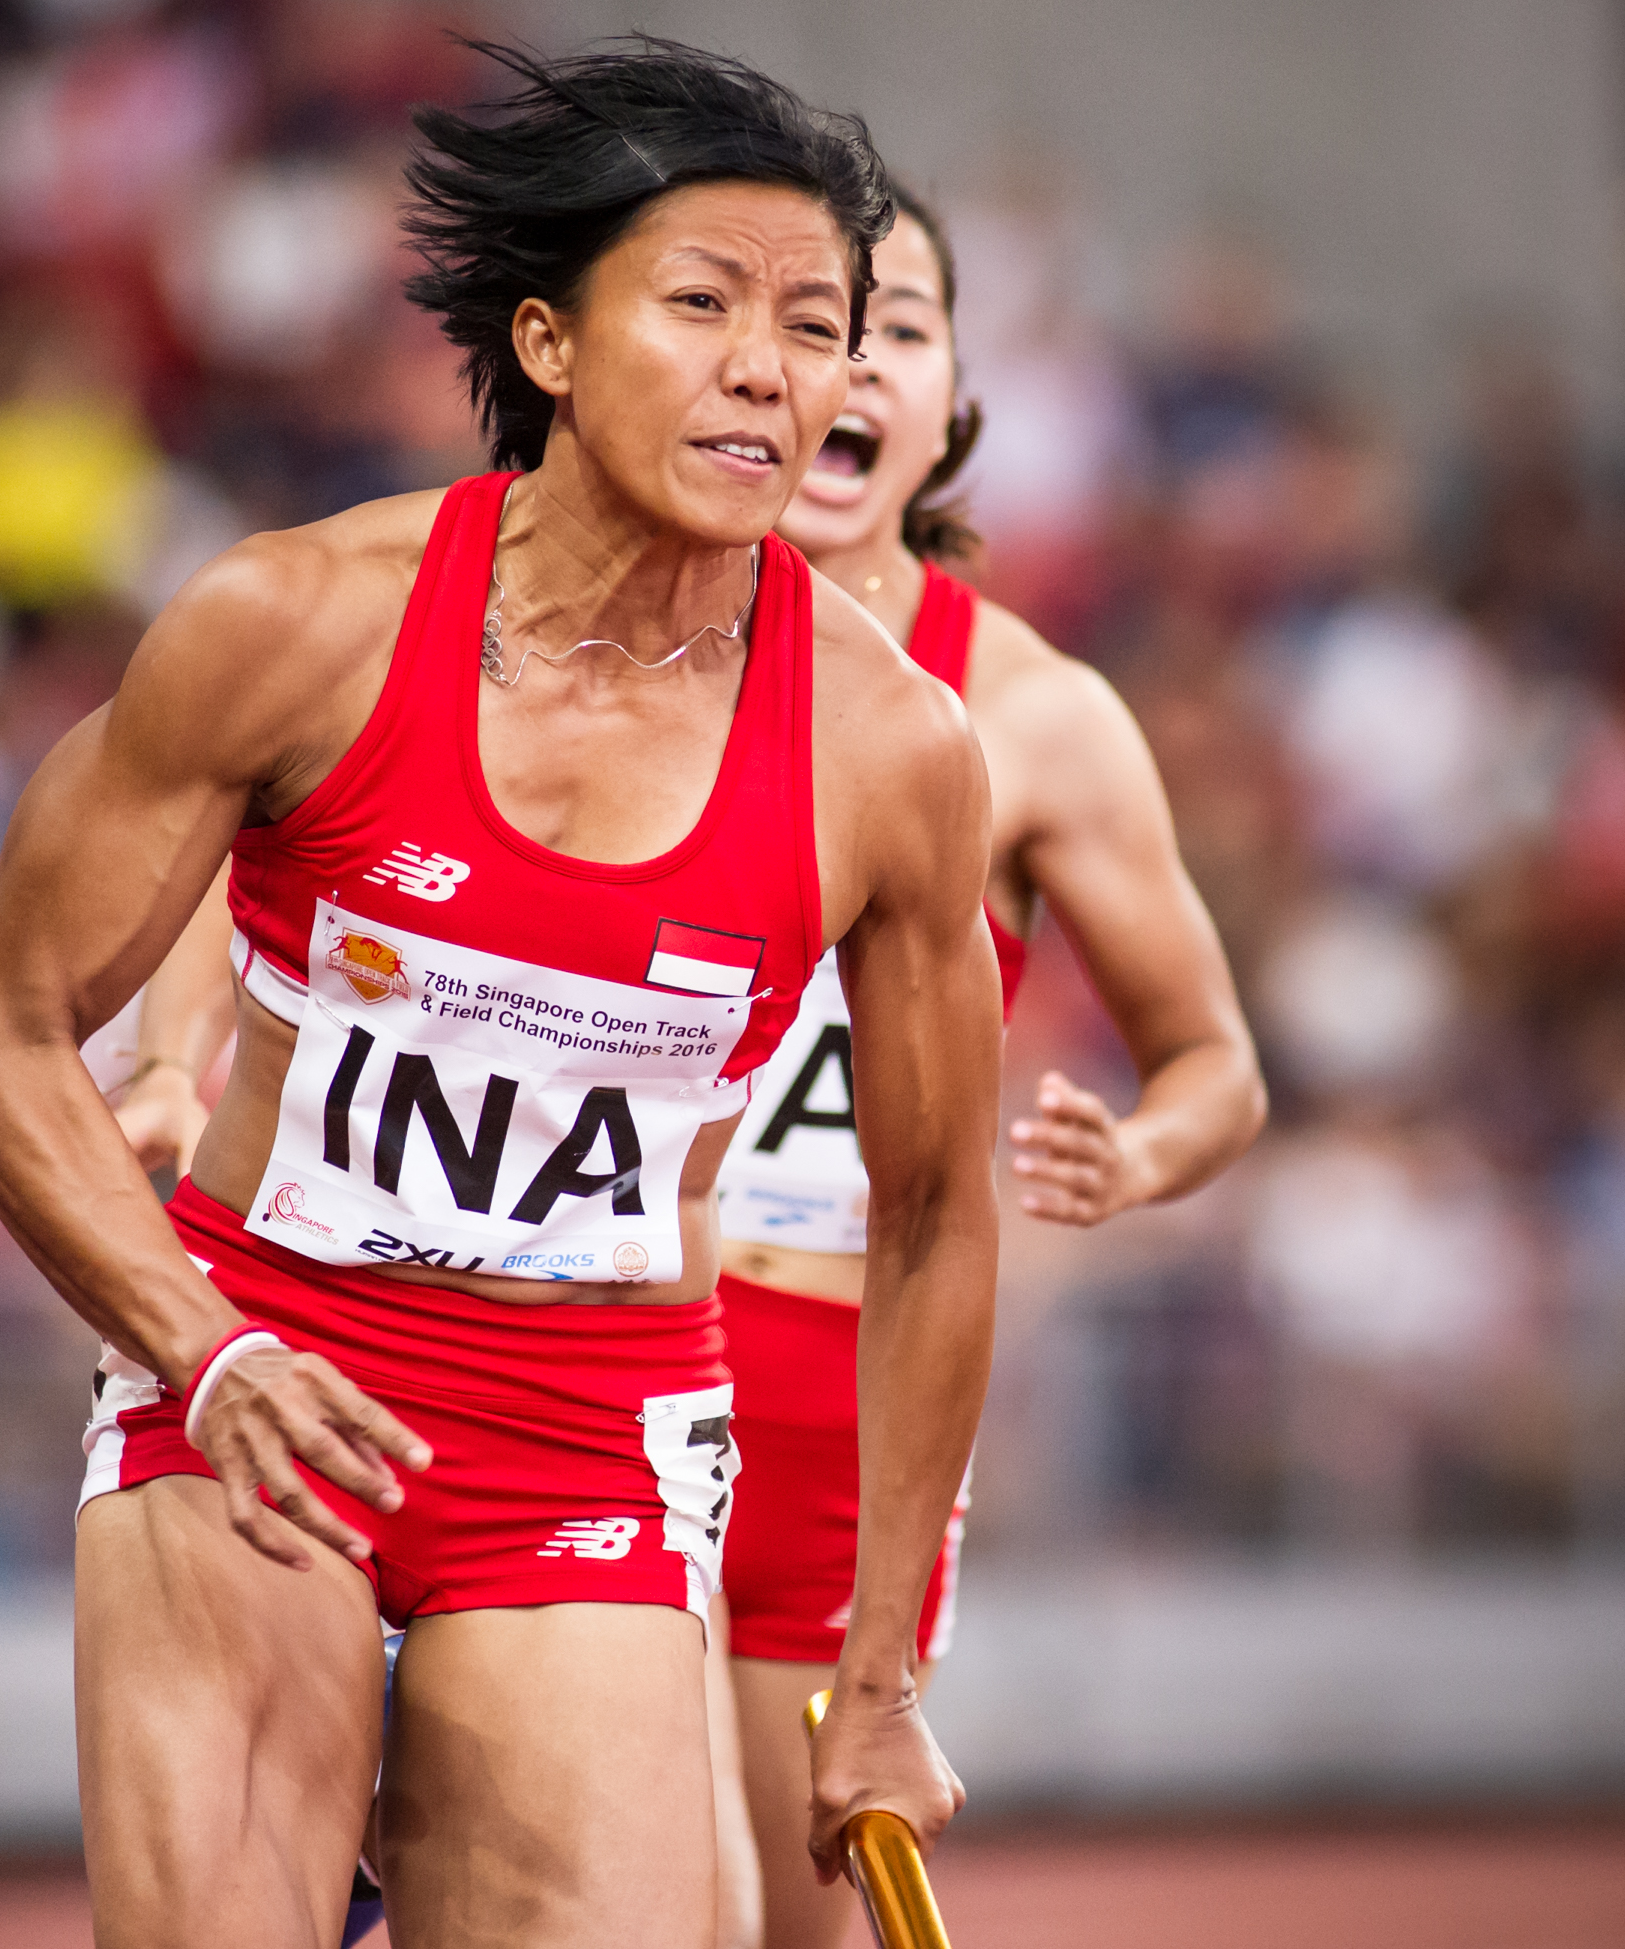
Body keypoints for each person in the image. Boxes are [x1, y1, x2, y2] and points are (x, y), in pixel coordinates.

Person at [0, 42, 1004, 1949]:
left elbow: (933, 1214)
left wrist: (889, 1671)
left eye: (819, 325)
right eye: (703, 304)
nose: (773, 366)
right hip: (268, 1366)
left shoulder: (890, 754)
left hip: (594, 1431)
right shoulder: (294, 624)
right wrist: (202, 1346)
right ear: (554, 342)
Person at [706, 186, 1267, 1949]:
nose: (852, 364)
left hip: (830, 1393)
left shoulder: (1034, 716)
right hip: (588, 1331)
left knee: (785, 1922)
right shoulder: (612, 658)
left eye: (902, 327)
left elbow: (1219, 1065)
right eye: (815, 324)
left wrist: (1144, 1156)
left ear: (952, 407)